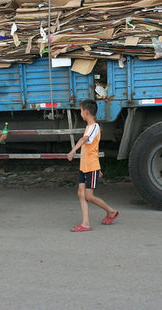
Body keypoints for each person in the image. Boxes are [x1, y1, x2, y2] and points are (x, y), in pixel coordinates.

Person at [66, 99, 119, 232]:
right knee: (81, 193)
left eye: (81, 111)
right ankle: (85, 224)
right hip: (85, 166)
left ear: (87, 112)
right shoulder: (89, 127)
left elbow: (84, 140)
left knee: (89, 196)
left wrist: (72, 151)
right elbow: (94, 149)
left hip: (91, 167)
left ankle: (111, 211)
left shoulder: (94, 127)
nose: (80, 113)